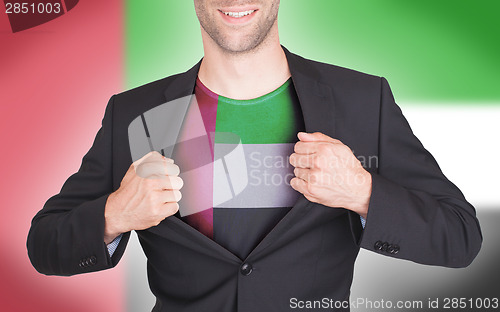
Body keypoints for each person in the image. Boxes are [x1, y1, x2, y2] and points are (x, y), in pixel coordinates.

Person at [27, 1, 482, 311]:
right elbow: (45, 245)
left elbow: (460, 236)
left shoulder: (363, 100)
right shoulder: (134, 113)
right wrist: (114, 214)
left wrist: (363, 192)